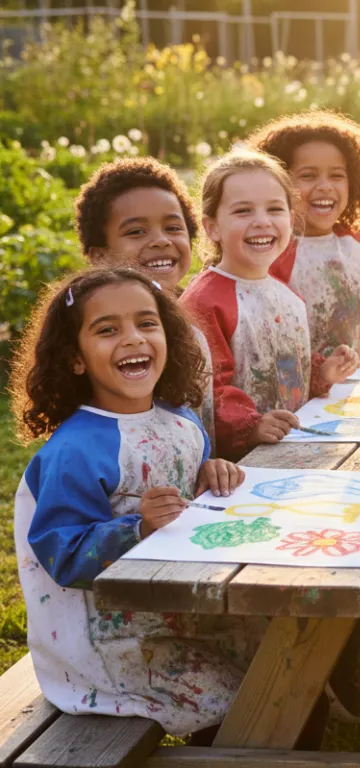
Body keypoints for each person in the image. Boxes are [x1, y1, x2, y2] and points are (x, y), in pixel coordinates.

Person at [9, 267, 263, 736]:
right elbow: (64, 556)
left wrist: (212, 471)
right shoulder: (74, 451)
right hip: (108, 643)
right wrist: (137, 528)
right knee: (241, 697)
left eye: (147, 323)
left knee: (273, 657)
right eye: (107, 330)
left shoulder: (180, 420)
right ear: (76, 358)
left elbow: (190, 481)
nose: (132, 338)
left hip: (180, 607)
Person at [180, 149, 360, 460]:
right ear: (212, 227)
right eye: (243, 211)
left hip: (290, 451)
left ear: (291, 218)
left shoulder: (287, 296)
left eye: (275, 209)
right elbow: (207, 391)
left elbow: (284, 368)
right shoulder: (203, 303)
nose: (262, 222)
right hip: (238, 467)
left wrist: (321, 372)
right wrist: (250, 426)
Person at [247, 111, 360, 361]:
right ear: (276, 183)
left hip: (348, 382)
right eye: (308, 176)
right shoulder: (269, 251)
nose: (325, 186)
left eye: (336, 176)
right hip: (297, 383)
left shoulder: (358, 242)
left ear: (353, 182)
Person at [74, 157, 216, 446]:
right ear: (100, 256)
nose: (161, 240)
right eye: (136, 232)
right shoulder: (102, 334)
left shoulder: (191, 319)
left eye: (173, 228)